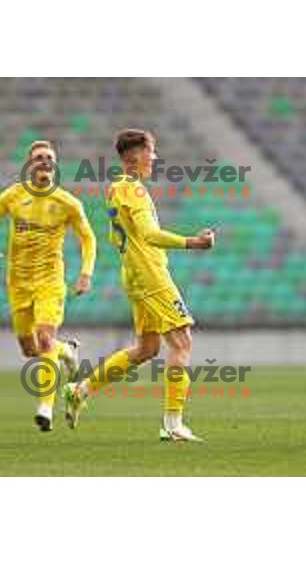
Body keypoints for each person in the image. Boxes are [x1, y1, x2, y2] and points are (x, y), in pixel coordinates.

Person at [63, 128, 215, 442]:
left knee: (147, 348)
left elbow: (119, 234)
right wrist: (193, 242)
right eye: (152, 151)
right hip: (149, 274)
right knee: (182, 342)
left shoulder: (116, 189)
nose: (155, 157)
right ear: (136, 156)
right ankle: (173, 425)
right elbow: (148, 234)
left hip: (134, 273)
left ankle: (80, 390)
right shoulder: (132, 190)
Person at [0, 140, 96, 432]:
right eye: (39, 158)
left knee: (44, 340)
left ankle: (45, 408)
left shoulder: (67, 203)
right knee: (29, 348)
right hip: (18, 282)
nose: (44, 162)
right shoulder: (13, 195)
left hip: (50, 280)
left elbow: (88, 238)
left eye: (49, 158)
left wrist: (85, 273)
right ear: (30, 165)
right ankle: (67, 350)